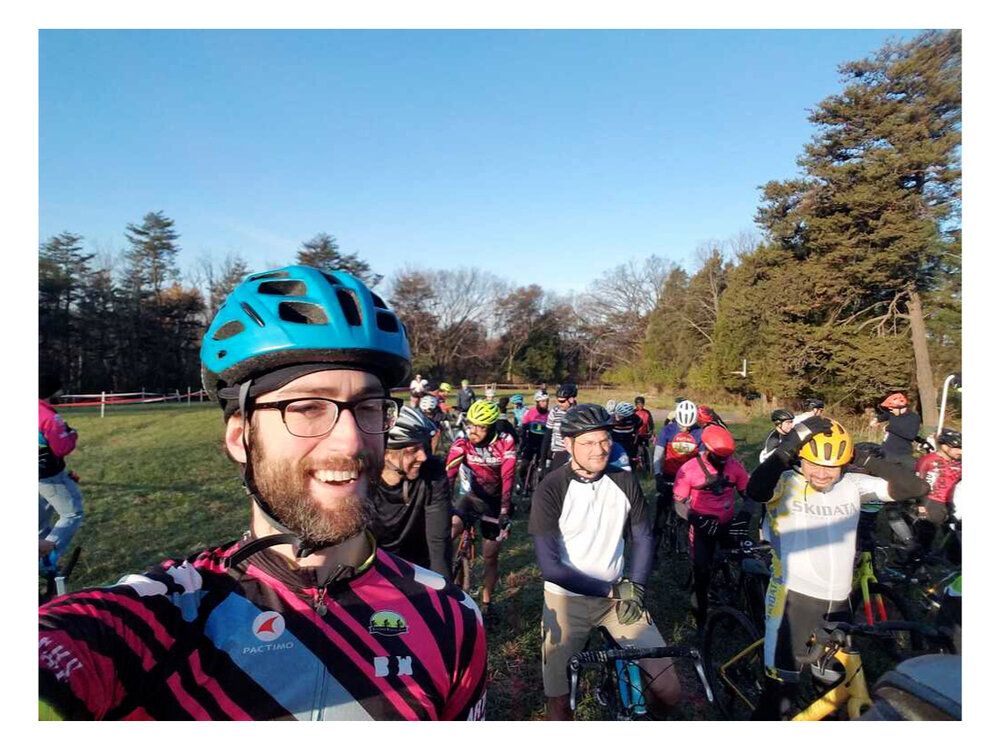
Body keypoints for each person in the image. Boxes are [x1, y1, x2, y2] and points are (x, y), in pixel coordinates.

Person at [39, 266, 486, 721]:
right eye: (308, 407)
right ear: (240, 437)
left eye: (369, 407)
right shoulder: (160, 618)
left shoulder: (450, 618)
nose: (351, 441)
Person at [743, 417, 929, 720]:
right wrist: (788, 447)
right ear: (799, 459)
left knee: (832, 683)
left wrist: (863, 457)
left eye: (832, 466)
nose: (822, 473)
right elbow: (755, 489)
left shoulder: (852, 484)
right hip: (793, 601)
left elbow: (915, 486)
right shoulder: (786, 484)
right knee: (780, 697)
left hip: (839, 600)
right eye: (813, 464)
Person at [528, 404, 681, 720]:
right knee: (559, 701)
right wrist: (614, 591)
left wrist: (636, 586)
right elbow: (550, 567)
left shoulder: (623, 480)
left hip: (619, 599)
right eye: (587, 443)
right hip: (568, 600)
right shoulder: (551, 487)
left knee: (669, 690)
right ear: (568, 444)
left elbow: (642, 536)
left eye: (604, 441)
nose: (599, 450)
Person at [673, 425, 750, 631]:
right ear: (706, 450)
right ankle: (701, 618)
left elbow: (749, 495)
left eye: (728, 457)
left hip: (727, 523)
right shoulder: (689, 469)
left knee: (748, 558)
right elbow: (678, 502)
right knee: (701, 571)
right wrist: (694, 518)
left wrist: (744, 516)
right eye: (720, 457)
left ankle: (745, 599)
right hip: (702, 526)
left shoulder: (735, 467)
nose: (725, 461)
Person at [446, 399, 516, 620]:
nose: (473, 431)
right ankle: (446, 581)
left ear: (493, 426)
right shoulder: (462, 442)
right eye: (471, 424)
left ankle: (487, 602)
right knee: (449, 530)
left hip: (495, 503)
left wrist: (504, 511)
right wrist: (444, 505)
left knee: (490, 555)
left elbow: (508, 477)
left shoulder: (506, 442)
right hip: (471, 497)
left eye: (481, 427)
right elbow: (449, 474)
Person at [370, 406, 453, 579]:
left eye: (423, 447)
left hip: (419, 565)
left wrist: (444, 592)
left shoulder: (432, 472)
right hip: (376, 568)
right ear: (385, 453)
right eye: (412, 451)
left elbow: (439, 541)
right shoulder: (364, 482)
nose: (423, 457)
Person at [38, 373, 84, 563]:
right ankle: (43, 558)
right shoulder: (49, 416)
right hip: (49, 474)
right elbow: (62, 448)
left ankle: (40, 547)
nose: (62, 393)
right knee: (72, 514)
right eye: (59, 390)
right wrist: (72, 433)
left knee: (39, 520)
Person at [651, 399, 703, 554]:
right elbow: (658, 455)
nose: (685, 428)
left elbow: (702, 461)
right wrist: (657, 475)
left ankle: (691, 545)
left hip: (689, 478)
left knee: (692, 513)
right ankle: (654, 550)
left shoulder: (699, 432)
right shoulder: (668, 429)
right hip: (668, 475)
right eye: (682, 425)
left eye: (689, 426)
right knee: (661, 514)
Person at [914, 428, 962, 550]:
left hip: (950, 503)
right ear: (945, 447)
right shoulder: (929, 460)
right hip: (931, 502)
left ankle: (952, 561)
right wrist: (921, 505)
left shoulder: (959, 463)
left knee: (954, 534)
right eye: (957, 447)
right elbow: (918, 482)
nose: (961, 451)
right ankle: (917, 562)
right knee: (926, 536)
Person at [870, 392, 922, 470]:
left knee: (908, 476)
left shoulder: (914, 418)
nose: (890, 411)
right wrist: (876, 420)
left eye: (892, 408)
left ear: (901, 408)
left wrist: (889, 428)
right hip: (887, 452)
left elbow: (911, 435)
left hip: (904, 454)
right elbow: (885, 415)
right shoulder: (893, 413)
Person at [517, 390, 550, 493]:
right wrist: (522, 442)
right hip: (531, 442)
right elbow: (524, 428)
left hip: (543, 444)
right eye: (542, 401)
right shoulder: (530, 413)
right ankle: (521, 483)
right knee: (523, 465)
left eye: (546, 401)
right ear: (537, 402)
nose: (545, 404)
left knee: (544, 469)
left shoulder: (550, 415)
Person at [541, 383, 578, 473]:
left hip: (573, 452)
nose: (559, 404)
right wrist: (542, 459)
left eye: (562, 401)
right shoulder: (555, 411)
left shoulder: (578, 413)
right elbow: (548, 435)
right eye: (558, 401)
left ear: (571, 400)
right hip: (557, 451)